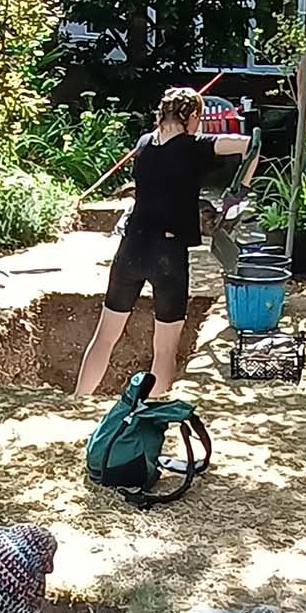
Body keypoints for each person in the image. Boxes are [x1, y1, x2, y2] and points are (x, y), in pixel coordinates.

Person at [76, 87, 256, 398]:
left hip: (131, 247)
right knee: (164, 350)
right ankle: (153, 416)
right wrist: (241, 189)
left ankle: (77, 399)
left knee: (105, 336)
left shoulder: (144, 143)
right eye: (198, 119)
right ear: (191, 117)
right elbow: (252, 145)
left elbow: (165, 141)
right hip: (168, 255)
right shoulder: (194, 146)